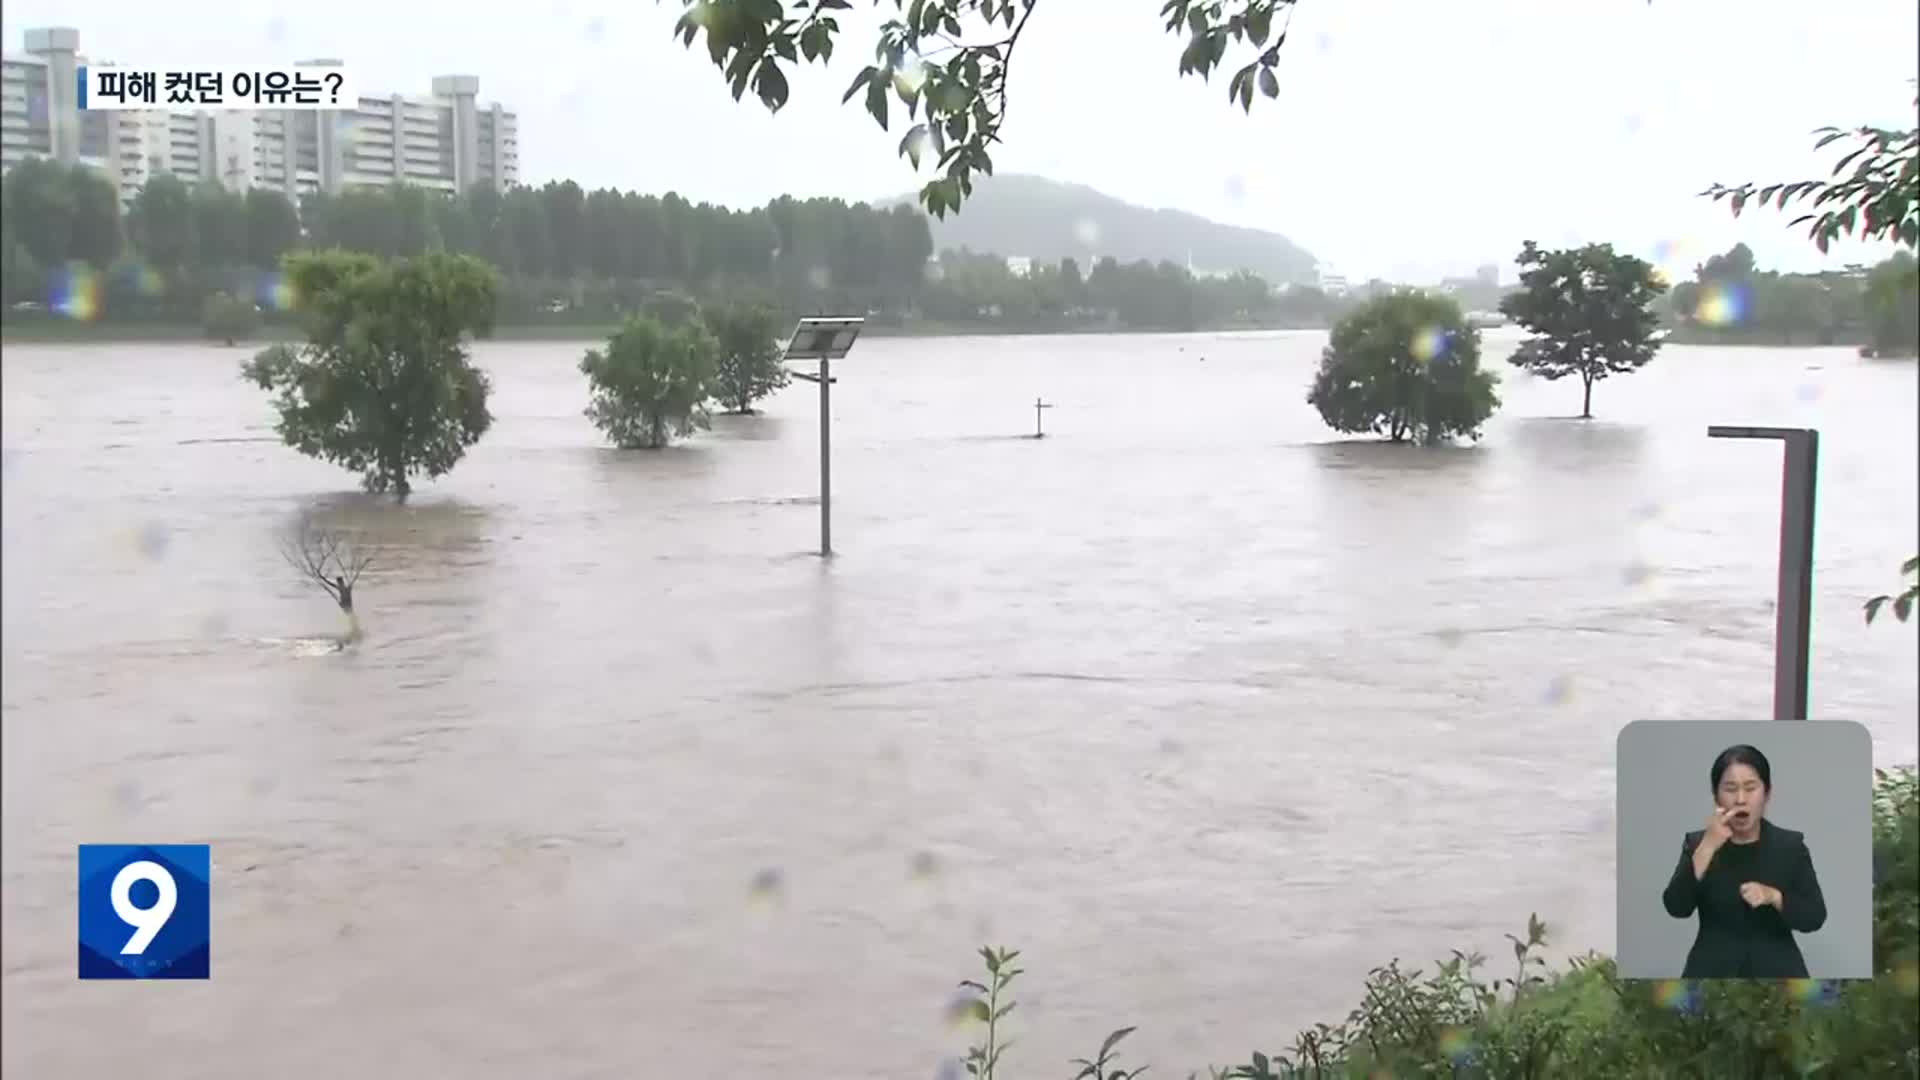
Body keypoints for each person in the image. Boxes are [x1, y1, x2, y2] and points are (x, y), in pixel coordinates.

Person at [1662, 744, 1827, 978]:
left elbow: (1814, 916)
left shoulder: (1790, 846)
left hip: (1778, 973)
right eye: (1730, 789)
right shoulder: (1697, 844)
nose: (1740, 799)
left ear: (1767, 794)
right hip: (1712, 973)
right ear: (1716, 796)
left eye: (1750, 788)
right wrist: (1707, 847)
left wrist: (1775, 897)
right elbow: (1676, 907)